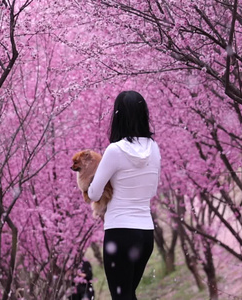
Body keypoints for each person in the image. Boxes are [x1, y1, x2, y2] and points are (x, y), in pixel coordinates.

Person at [87, 91, 160, 300]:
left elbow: (94, 192)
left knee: (122, 296)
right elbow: (153, 190)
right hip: (146, 234)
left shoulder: (115, 150)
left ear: (117, 116)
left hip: (120, 232)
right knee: (128, 295)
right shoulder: (154, 148)